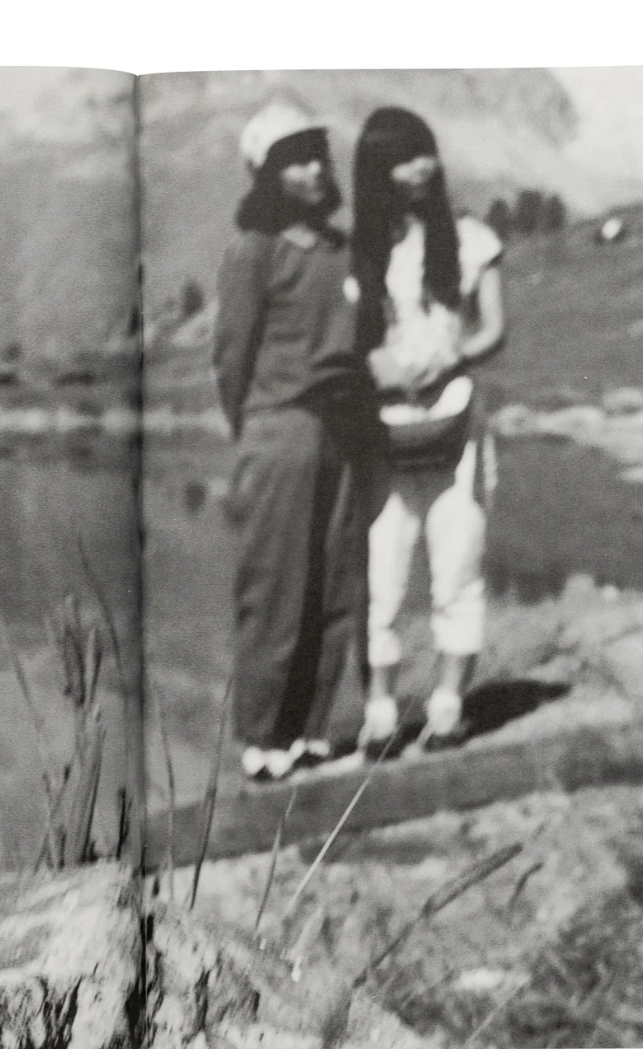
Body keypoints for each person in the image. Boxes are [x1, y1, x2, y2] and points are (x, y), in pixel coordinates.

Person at [213, 101, 377, 782]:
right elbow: (232, 358)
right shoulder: (253, 252)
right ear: (268, 175)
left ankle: (309, 729)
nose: (314, 170)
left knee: (335, 584)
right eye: (296, 161)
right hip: (281, 431)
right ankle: (262, 737)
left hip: (343, 432)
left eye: (318, 156)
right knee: (274, 590)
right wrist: (259, 428)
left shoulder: (341, 249)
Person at [350, 107, 506, 752]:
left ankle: (446, 709)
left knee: (458, 565)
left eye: (424, 153)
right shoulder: (360, 250)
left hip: (455, 423)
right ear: (376, 171)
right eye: (401, 159)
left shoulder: (470, 239)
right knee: (381, 574)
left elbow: (494, 328)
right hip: (383, 429)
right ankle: (380, 714)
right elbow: (346, 340)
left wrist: (451, 359)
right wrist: (374, 366)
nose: (418, 168)